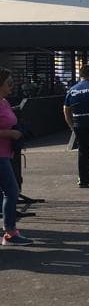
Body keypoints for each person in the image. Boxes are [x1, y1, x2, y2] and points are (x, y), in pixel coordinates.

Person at [0, 67, 33, 246]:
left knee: (8, 192)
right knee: (11, 191)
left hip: (5, 153)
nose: (13, 86)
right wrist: (10, 134)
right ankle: (10, 232)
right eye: (9, 83)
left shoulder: (4, 102)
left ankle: (10, 231)